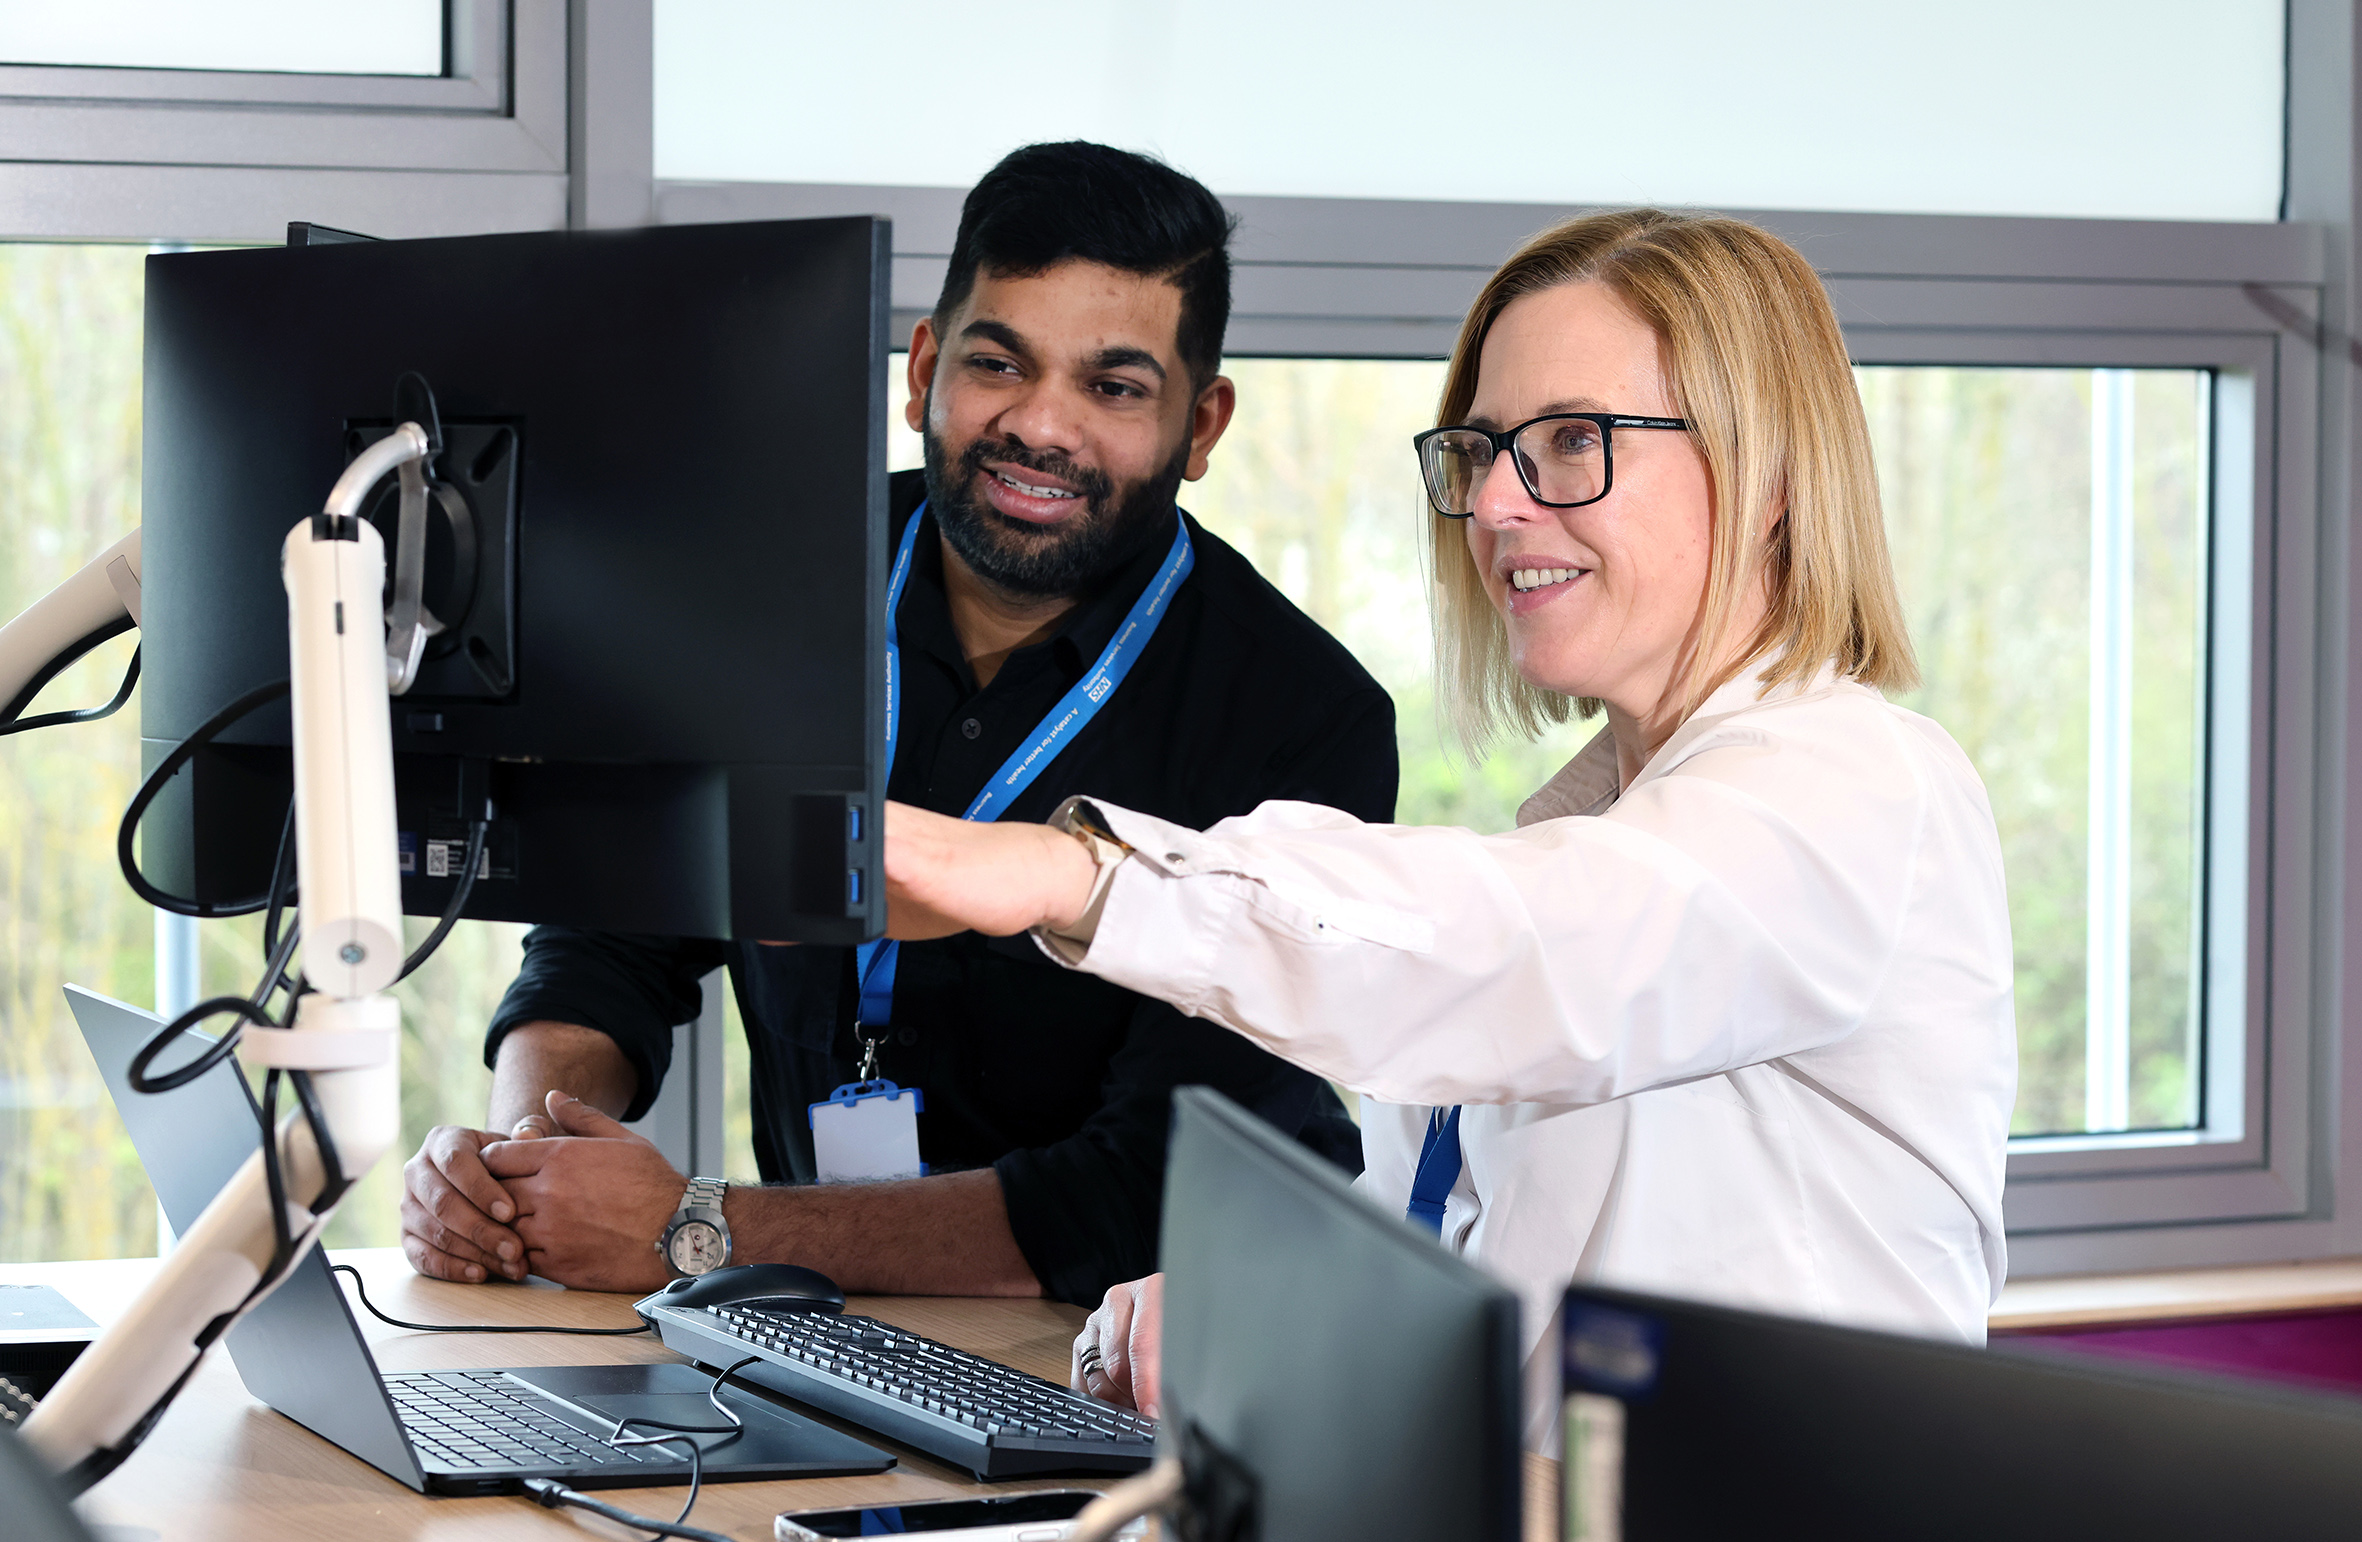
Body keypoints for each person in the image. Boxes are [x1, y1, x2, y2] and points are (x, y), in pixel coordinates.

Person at [881, 208, 2018, 1447]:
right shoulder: (1603, 827)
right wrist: (1255, 1315)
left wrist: (1072, 875)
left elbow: (1531, 950)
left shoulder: (1855, 785)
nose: (1496, 507)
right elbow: (1480, 1306)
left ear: (1773, 479)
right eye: (1481, 451)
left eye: (1573, 442)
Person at [398, 141, 1392, 1303]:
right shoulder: (761, 586)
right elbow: (610, 939)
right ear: (922, 368)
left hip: (1131, 1374)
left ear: (1202, 425)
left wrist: (700, 1230)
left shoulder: (1304, 719)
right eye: (997, 363)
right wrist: (528, 1162)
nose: (1042, 427)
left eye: (1114, 388)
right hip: (813, 1339)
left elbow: (1149, 1189)